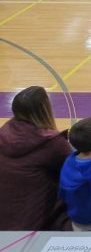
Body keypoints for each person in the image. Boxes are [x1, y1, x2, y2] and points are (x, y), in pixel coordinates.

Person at [0, 86, 71, 231]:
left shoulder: (4, 133)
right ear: (45, 110)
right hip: (31, 224)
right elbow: (75, 174)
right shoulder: (53, 143)